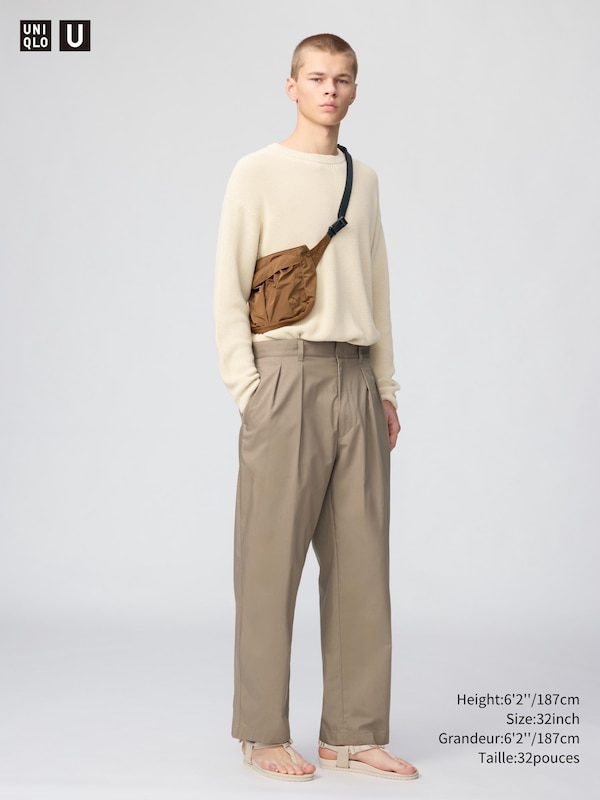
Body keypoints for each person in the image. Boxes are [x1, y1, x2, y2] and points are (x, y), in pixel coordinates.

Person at [214, 33, 418, 782]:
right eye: (317, 77)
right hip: (286, 376)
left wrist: (386, 389)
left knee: (363, 563)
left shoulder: (364, 180)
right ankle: (261, 731)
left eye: (343, 79)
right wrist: (248, 388)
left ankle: (353, 733)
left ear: (355, 91)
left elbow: (378, 288)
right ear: (292, 86)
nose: (330, 90)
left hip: (355, 378)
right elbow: (228, 284)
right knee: (269, 564)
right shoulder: (256, 171)